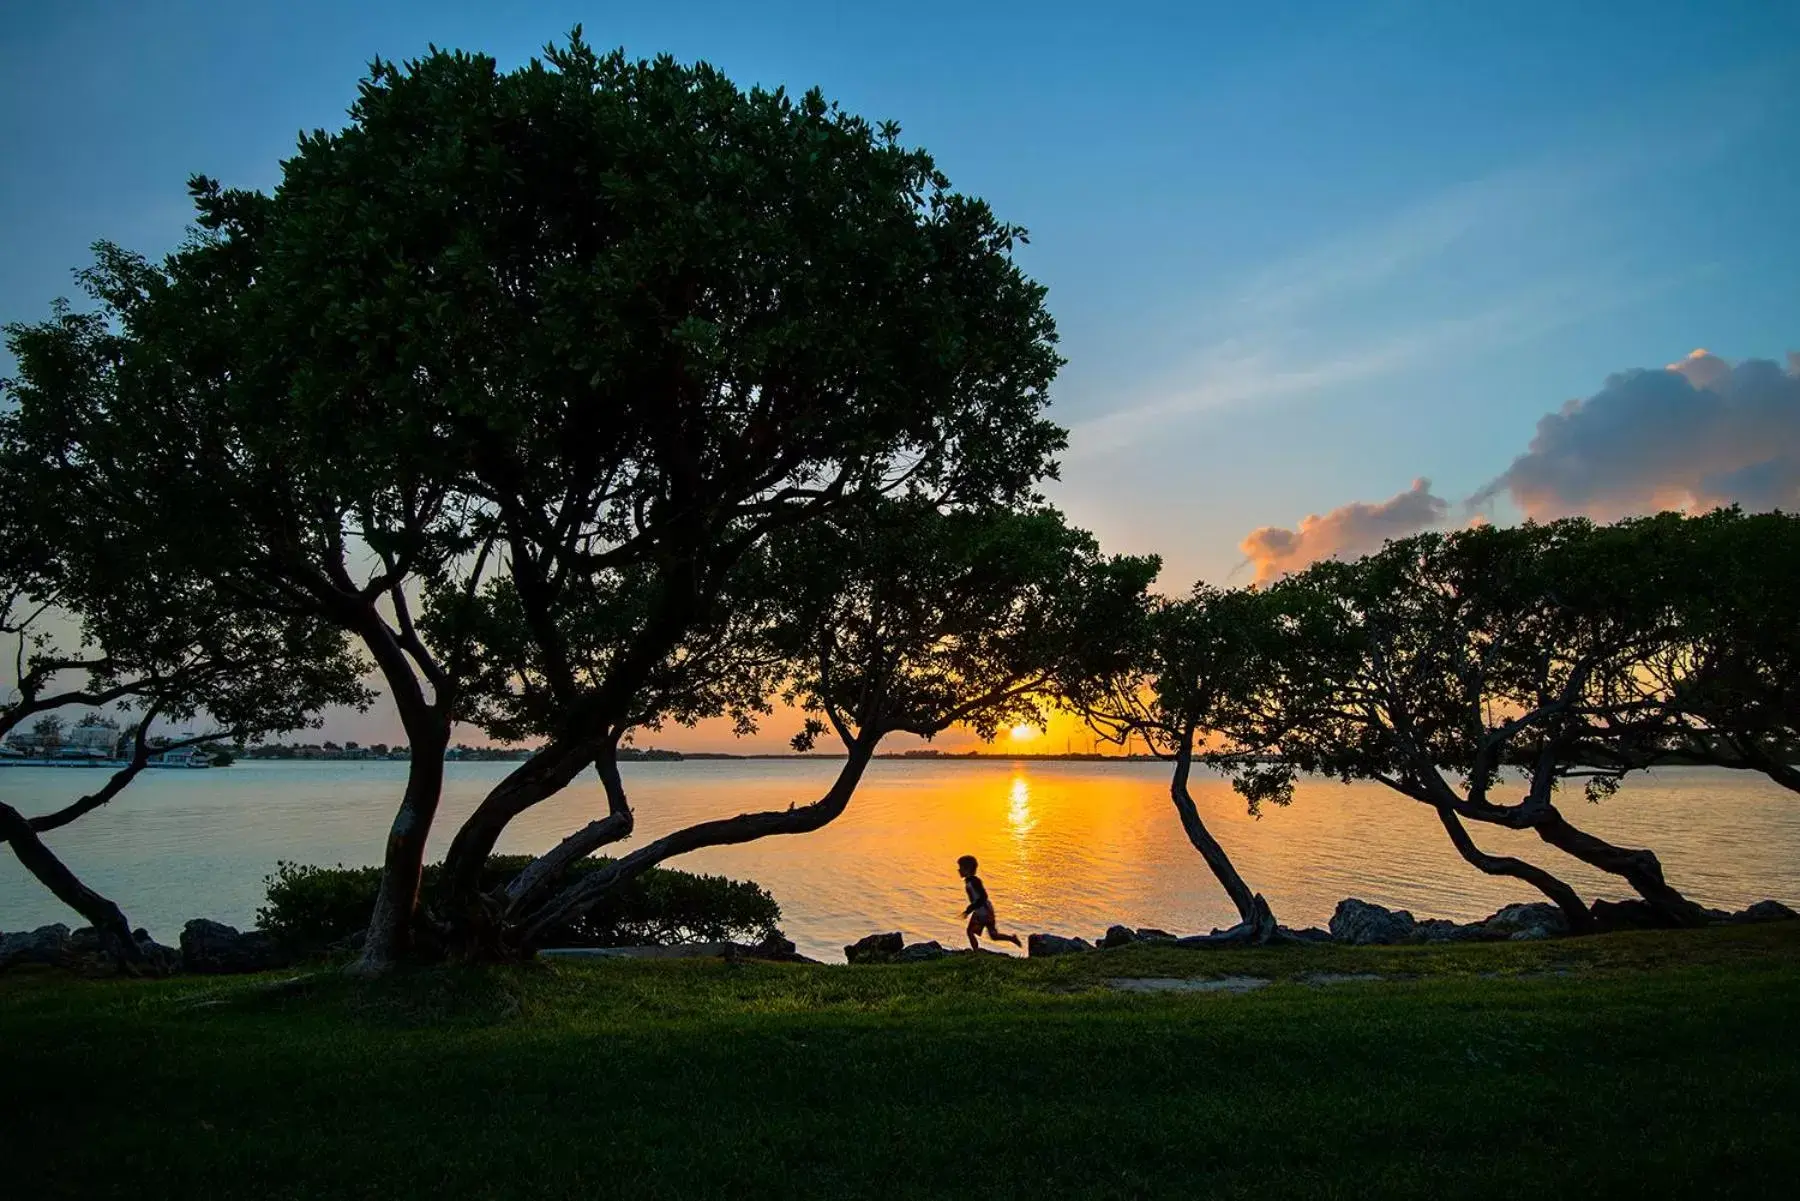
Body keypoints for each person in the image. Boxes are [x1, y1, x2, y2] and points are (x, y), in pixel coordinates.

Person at [958, 854, 1022, 950]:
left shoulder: (975, 881)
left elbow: (983, 896)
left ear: (967, 870)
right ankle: (1012, 938)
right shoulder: (969, 881)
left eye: (961, 868)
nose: (959, 870)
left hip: (984, 910)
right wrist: (970, 909)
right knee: (991, 935)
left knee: (973, 932)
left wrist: (970, 909)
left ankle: (976, 952)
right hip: (980, 910)